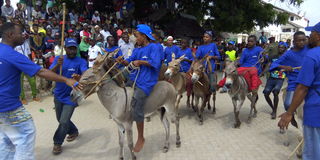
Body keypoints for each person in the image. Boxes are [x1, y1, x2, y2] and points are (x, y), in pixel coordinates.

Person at [0, 22, 81, 160]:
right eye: (20, 33)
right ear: (10, 34)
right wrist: (66, 80)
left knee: (5, 140)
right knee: (25, 134)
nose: (24, 36)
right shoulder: (13, 55)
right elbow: (42, 71)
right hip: (9, 106)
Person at [278, 22, 320, 160]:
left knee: (312, 153)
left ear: (318, 35)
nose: (309, 36)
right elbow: (276, 63)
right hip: (291, 82)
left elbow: (302, 88)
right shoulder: (290, 53)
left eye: (311, 33)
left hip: (315, 112)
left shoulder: (312, 55)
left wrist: (289, 113)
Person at [117, 24, 161, 153]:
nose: (135, 39)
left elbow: (156, 63)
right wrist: (122, 61)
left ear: (144, 36)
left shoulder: (154, 47)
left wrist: (141, 62)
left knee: (136, 102)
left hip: (147, 82)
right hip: (135, 78)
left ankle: (141, 137)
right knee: (122, 89)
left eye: (137, 36)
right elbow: (129, 61)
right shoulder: (137, 50)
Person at [49, 38, 88, 154]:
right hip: (58, 94)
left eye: (74, 48)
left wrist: (79, 78)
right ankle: (74, 131)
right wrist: (57, 65)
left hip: (72, 96)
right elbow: (49, 73)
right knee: (60, 119)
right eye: (69, 48)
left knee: (64, 121)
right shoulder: (58, 59)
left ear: (76, 49)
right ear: (65, 49)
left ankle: (57, 143)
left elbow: (85, 74)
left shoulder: (81, 61)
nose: (72, 51)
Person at [269, 31, 308, 111]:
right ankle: (291, 116)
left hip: (308, 80)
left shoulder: (309, 50)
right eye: (299, 40)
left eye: (303, 40)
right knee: (287, 104)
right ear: (293, 42)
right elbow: (274, 64)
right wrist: (284, 67)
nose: (302, 42)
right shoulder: (288, 54)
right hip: (294, 81)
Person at [263, 42, 288, 119]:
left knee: (276, 91)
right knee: (266, 93)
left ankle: (274, 111)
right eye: (279, 47)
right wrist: (262, 73)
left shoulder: (287, 57)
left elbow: (290, 66)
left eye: (282, 47)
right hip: (271, 77)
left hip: (280, 78)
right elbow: (268, 65)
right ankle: (273, 107)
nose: (281, 49)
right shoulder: (273, 56)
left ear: (285, 49)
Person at [15, 32, 40, 105]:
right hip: (19, 65)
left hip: (27, 64)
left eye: (25, 37)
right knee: (20, 82)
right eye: (23, 36)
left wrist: (31, 63)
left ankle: (34, 96)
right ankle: (22, 98)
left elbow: (29, 54)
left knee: (32, 80)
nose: (24, 38)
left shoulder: (26, 43)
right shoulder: (15, 45)